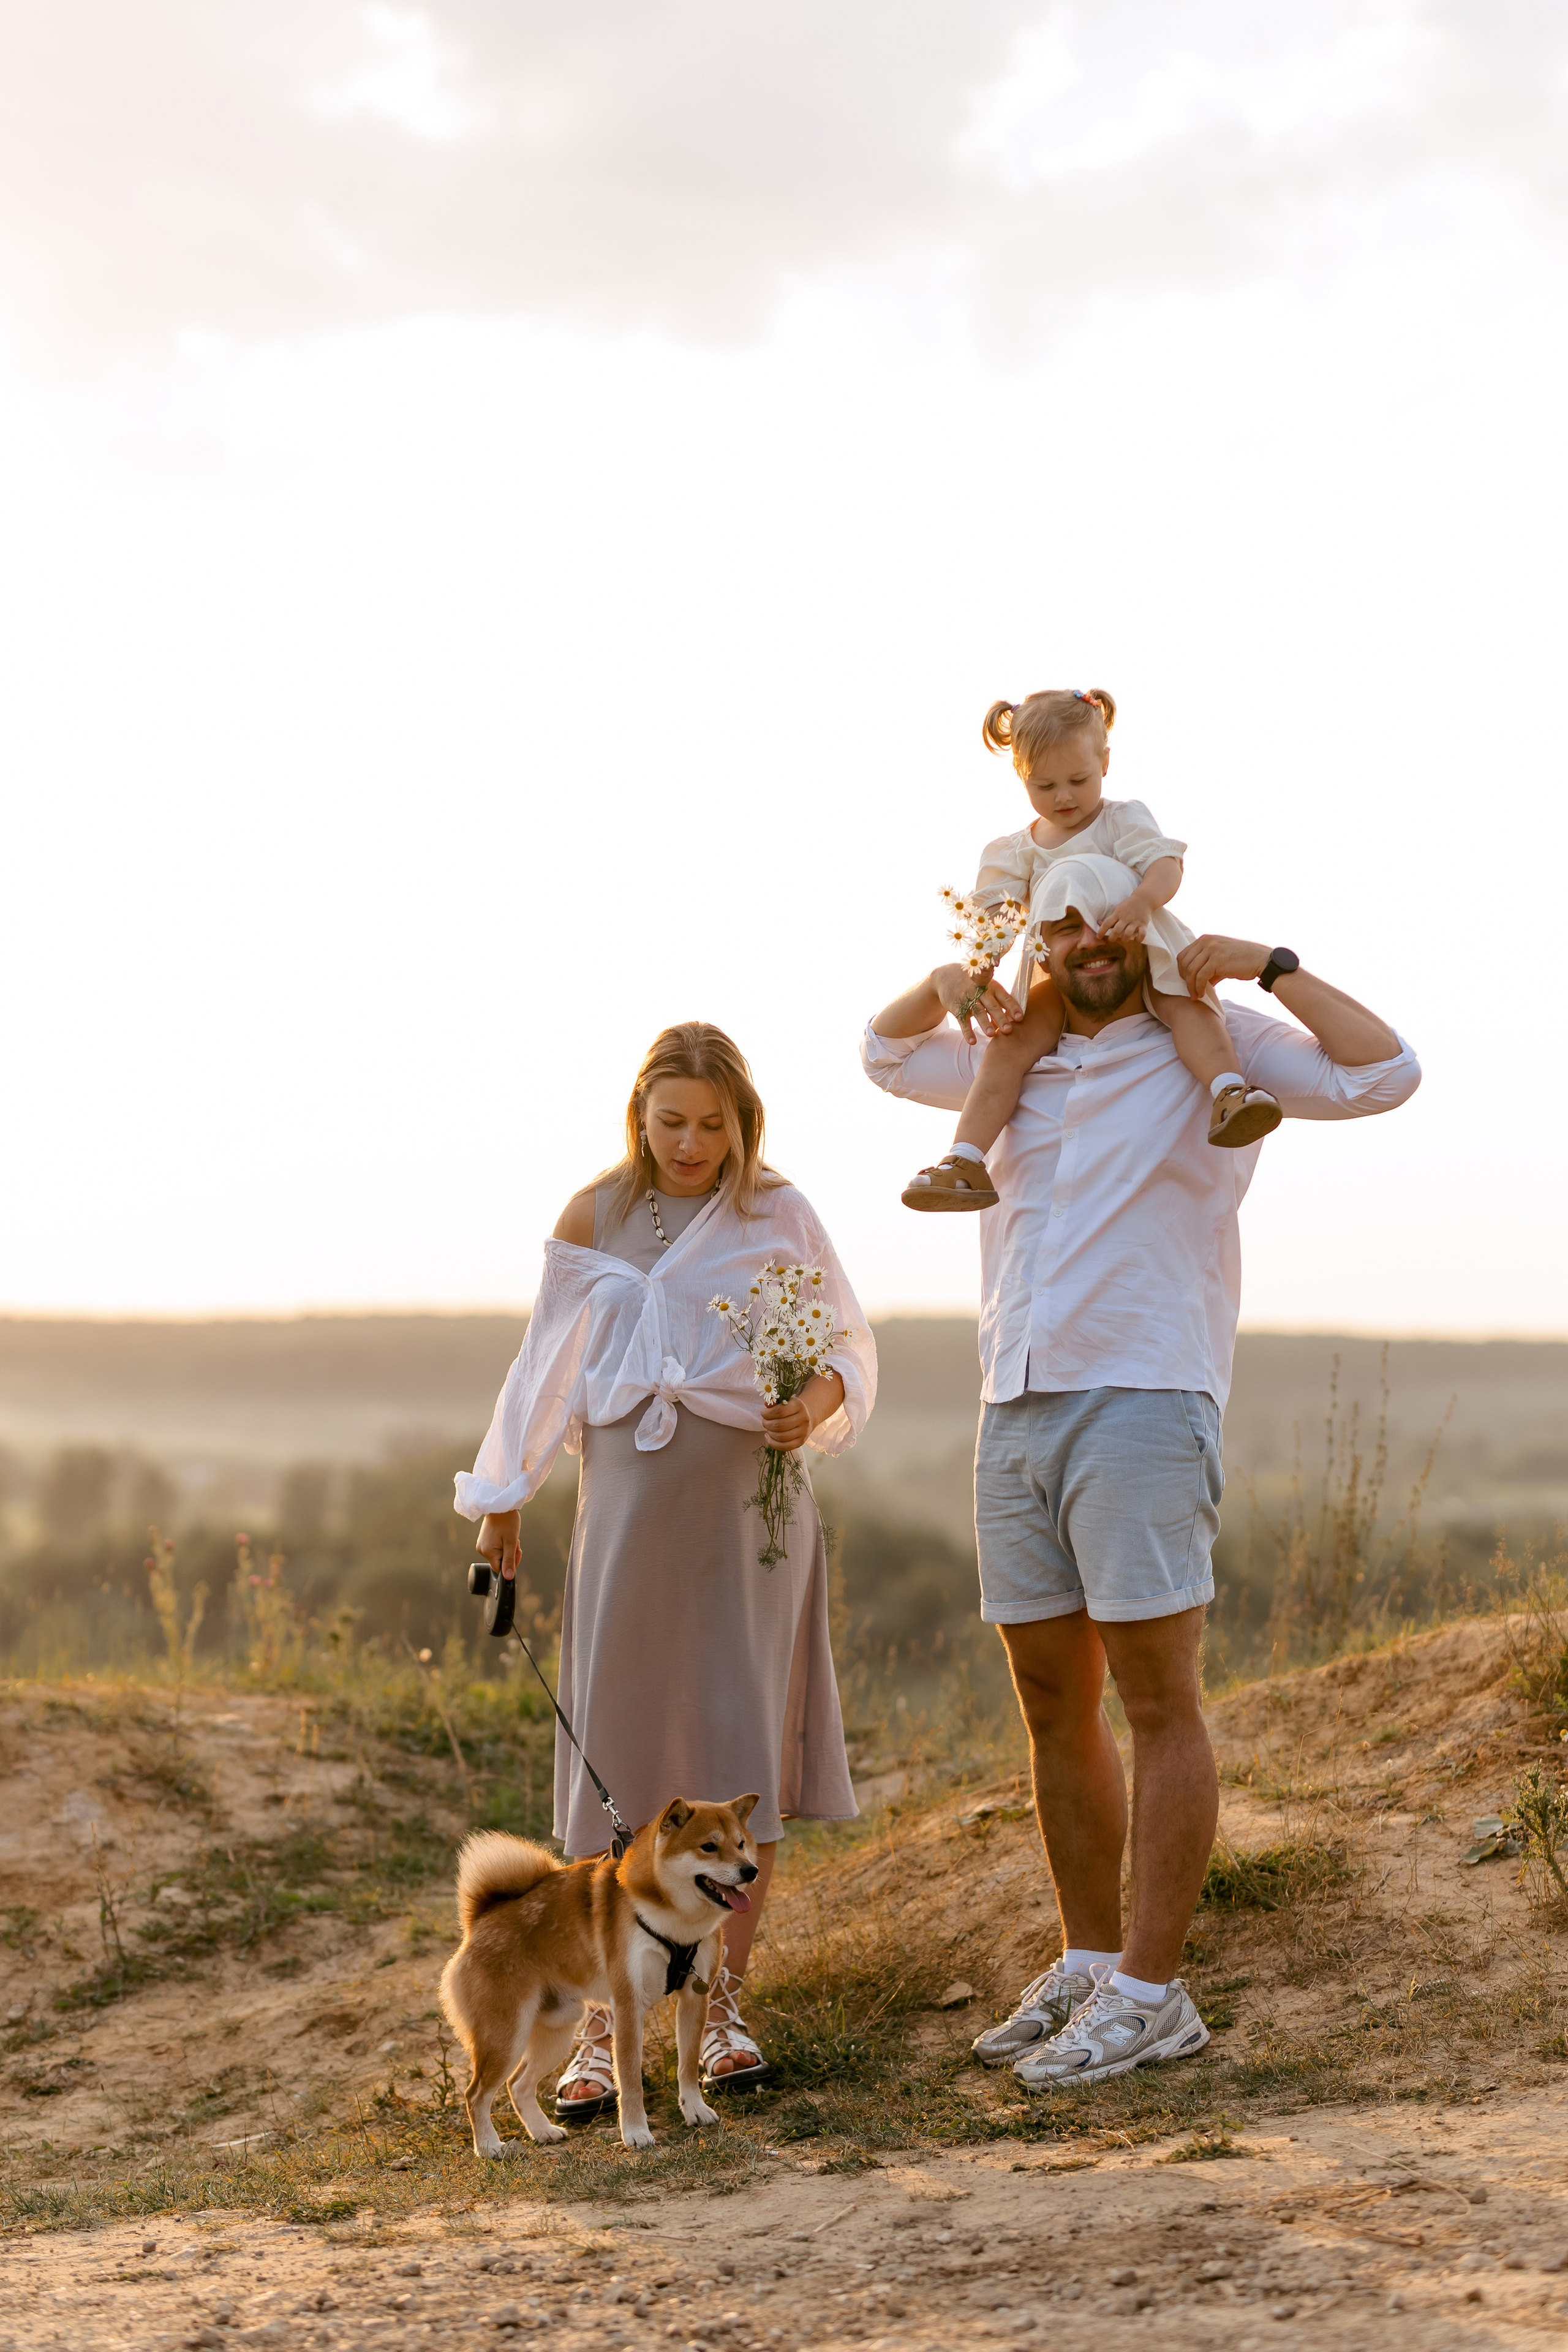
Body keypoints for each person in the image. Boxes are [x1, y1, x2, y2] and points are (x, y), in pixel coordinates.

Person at [863, 874, 1419, 2085]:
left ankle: (1155, 1994)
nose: (1089, 943)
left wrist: (1266, 962)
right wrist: (956, 981)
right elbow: (881, 1049)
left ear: (1148, 921)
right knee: (1050, 1705)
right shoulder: (1007, 1052)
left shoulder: (1210, 1041)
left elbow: (1385, 1072)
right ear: (1039, 934)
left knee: (1156, 1700)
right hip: (1010, 1400)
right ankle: (1088, 1964)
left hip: (1144, 1393)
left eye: (1110, 919)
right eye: (1061, 924)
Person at [456, 1022, 875, 2124]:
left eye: (713, 1124)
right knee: (625, 1749)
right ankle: (607, 2026)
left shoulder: (778, 1209)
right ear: (639, 1115)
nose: (692, 1144)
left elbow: (847, 1345)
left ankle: (724, 2006)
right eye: (672, 1122)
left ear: (744, 1122)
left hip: (752, 1512)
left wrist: (813, 1405)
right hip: (628, 1517)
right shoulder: (592, 1214)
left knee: (737, 1746)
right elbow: (543, 1366)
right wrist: (503, 1497)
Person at [902, 687, 1280, 1213]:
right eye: (1045, 785)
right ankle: (964, 1159)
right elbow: (998, 919)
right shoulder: (1015, 850)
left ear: (1105, 762)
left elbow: (1164, 866)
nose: (1064, 797)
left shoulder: (1119, 820)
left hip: (1138, 946)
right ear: (1020, 776)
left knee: (1185, 1007)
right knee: (1010, 1047)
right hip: (1066, 973)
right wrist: (983, 969)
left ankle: (1229, 1092)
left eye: (1079, 780)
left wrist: (1144, 904)